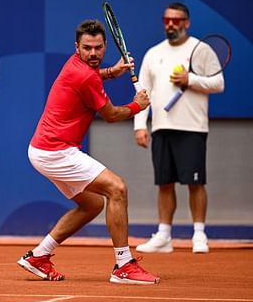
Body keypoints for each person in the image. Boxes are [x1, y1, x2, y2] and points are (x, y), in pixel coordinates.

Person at [17, 19, 160, 284]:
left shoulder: (78, 66)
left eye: (97, 48)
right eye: (87, 49)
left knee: (92, 204)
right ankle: (124, 265)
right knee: (117, 188)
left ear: (105, 45)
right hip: (55, 151)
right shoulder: (84, 75)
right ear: (77, 47)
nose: (93, 54)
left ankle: (38, 256)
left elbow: (93, 76)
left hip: (43, 150)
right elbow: (112, 115)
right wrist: (138, 105)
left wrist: (112, 71)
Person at [134, 3, 225, 254]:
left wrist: (190, 80)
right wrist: (140, 125)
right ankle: (164, 236)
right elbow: (143, 93)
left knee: (195, 183)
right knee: (164, 183)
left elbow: (219, 83)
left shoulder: (201, 49)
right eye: (167, 20)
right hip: (161, 127)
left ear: (187, 22)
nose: (171, 24)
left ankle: (199, 234)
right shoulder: (153, 53)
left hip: (193, 127)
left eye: (177, 20)